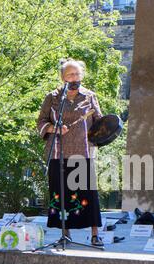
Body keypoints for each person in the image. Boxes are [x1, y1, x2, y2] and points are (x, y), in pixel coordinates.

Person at [37, 58, 104, 247]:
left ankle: (94, 235)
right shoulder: (53, 97)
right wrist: (53, 128)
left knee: (88, 194)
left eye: (77, 74)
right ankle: (65, 234)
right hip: (58, 153)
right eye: (70, 74)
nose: (74, 77)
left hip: (82, 152)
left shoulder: (89, 96)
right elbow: (41, 122)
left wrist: (106, 129)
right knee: (61, 194)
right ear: (63, 78)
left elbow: (99, 122)